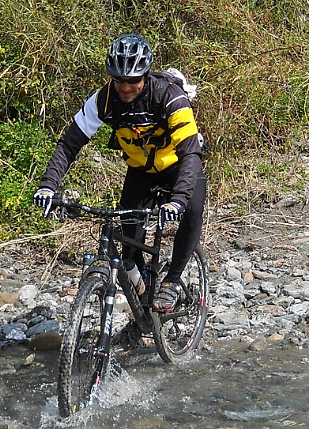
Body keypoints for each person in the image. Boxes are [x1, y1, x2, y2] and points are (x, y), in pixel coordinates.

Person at [33, 33, 206, 314]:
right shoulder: (104, 100)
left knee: (191, 210)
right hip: (141, 172)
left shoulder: (170, 97)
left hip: (179, 167)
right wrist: (47, 187)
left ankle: (173, 280)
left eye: (133, 80)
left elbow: (190, 154)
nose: (125, 87)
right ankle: (142, 313)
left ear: (146, 76)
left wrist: (178, 200)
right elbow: (69, 144)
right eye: (119, 80)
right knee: (130, 253)